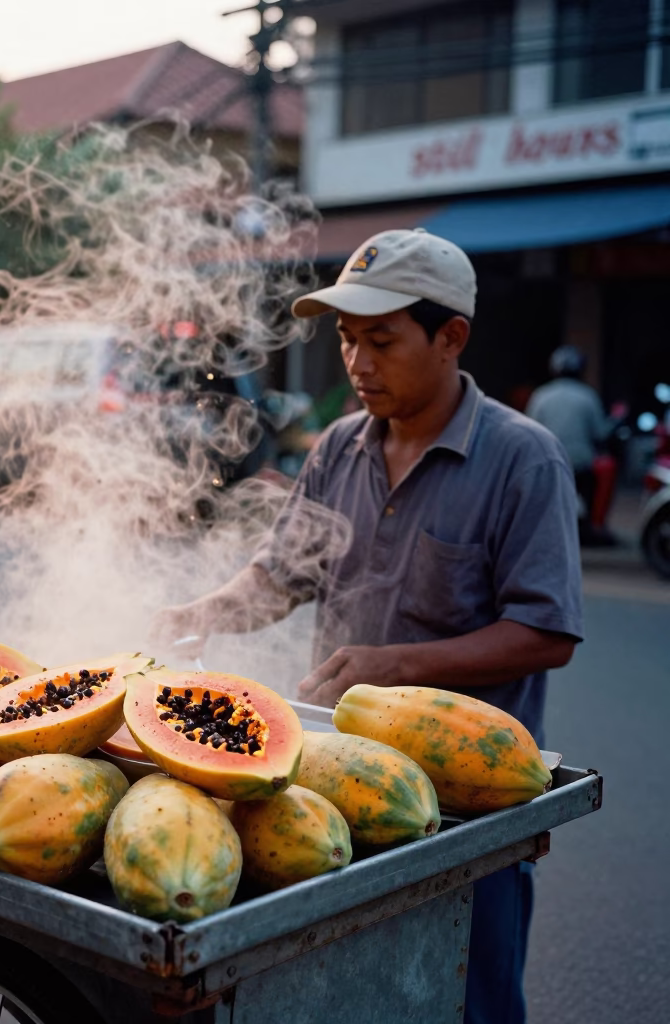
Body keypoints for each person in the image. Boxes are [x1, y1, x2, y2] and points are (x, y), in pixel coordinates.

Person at [151, 228, 584, 1024]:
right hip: (335, 783)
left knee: (468, 1003)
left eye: (381, 340)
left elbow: (546, 632)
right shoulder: (338, 447)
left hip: (467, 812)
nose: (357, 363)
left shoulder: (526, 460)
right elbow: (281, 574)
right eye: (348, 340)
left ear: (451, 336)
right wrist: (199, 613)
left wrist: (394, 663)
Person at [525, 346, 612, 544]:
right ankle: (592, 525)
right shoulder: (588, 395)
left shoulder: (541, 395)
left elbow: (528, 429)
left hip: (546, 460)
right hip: (582, 463)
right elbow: (600, 432)